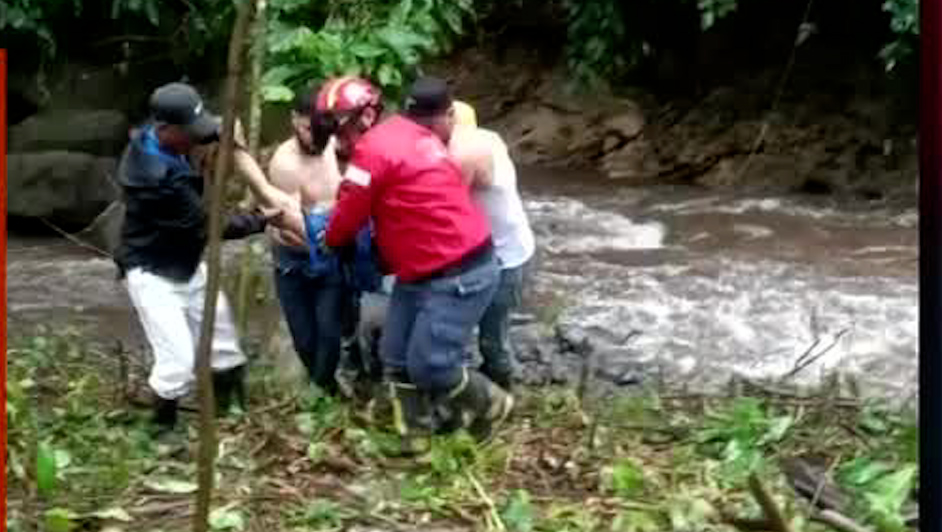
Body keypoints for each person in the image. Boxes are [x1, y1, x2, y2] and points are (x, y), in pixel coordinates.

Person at [313, 75, 514, 447]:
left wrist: (332, 240)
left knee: (432, 366)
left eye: (337, 124)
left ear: (365, 117)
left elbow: (349, 211)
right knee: (396, 356)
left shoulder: (373, 151)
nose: (332, 133)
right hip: (423, 267)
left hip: (457, 270)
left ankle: (492, 404)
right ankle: (415, 438)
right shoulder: (407, 133)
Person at [115, 82, 298, 436]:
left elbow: (211, 130)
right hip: (153, 271)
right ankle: (159, 431)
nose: (196, 139)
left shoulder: (160, 134)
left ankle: (231, 414)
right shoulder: (153, 180)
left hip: (185, 261)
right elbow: (211, 226)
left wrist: (223, 135)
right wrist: (264, 218)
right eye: (190, 134)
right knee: (179, 362)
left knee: (225, 345)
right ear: (166, 130)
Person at [265, 88, 350, 396]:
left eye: (321, 132)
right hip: (296, 256)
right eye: (307, 129)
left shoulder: (331, 143)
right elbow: (289, 225)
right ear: (294, 120)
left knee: (330, 331)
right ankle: (325, 392)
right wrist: (327, 236)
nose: (315, 139)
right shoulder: (285, 164)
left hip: (332, 249)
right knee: (305, 338)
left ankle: (325, 392)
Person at [448, 101, 536, 391]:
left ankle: (503, 389)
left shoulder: (468, 159)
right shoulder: (490, 139)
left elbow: (446, 206)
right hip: (504, 250)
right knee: (470, 329)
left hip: (506, 259)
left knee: (492, 338)